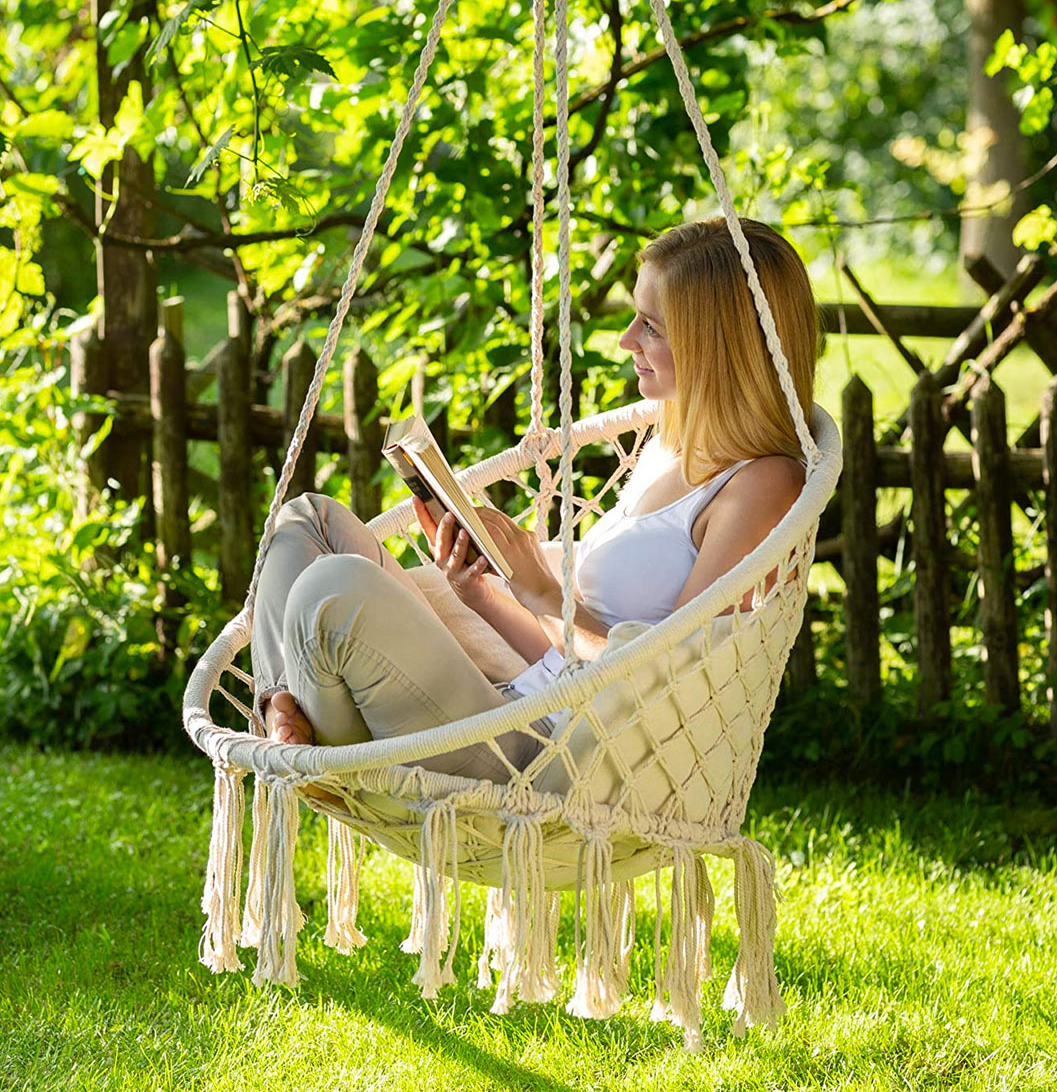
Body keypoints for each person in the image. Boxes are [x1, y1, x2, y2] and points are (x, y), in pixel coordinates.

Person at [250, 216, 819, 785]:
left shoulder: (760, 486)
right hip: (517, 694)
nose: (626, 342)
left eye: (651, 326)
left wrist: (542, 591)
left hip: (555, 758)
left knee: (332, 590)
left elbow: (668, 680)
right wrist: (479, 592)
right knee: (308, 521)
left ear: (715, 344)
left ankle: (312, 742)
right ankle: (283, 707)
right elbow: (556, 659)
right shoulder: (671, 443)